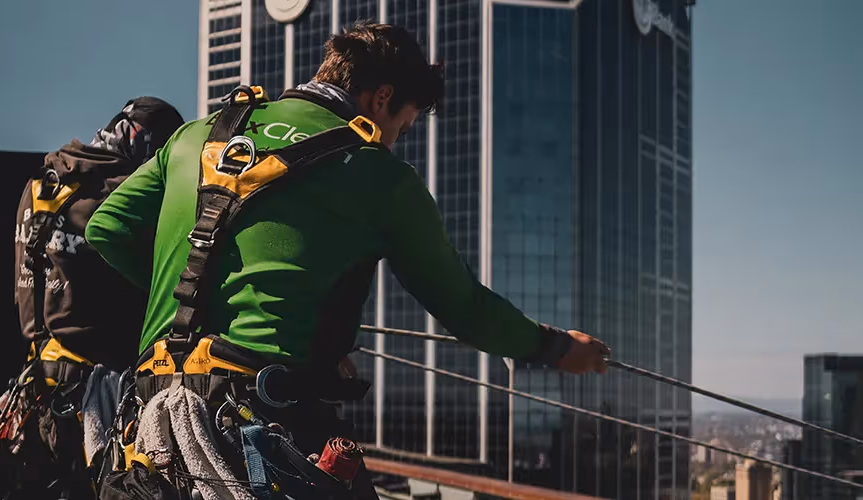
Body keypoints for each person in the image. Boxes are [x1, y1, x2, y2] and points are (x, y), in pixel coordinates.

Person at [85, 22, 608, 499]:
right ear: (381, 98)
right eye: (402, 126)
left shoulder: (197, 134)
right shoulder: (379, 175)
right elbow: (464, 306)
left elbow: (107, 229)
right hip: (268, 426)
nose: (395, 140)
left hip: (152, 420)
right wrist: (555, 347)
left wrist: (185, 300)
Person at [11, 96, 184, 499]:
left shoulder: (44, 182)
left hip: (41, 375)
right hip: (100, 384)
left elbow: (30, 280)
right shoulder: (125, 195)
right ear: (146, 141)